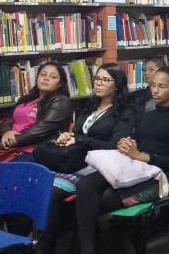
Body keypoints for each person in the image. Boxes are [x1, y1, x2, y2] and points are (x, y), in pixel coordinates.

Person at [75, 66, 169, 254]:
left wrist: (142, 156)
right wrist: (127, 144)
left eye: (162, 86)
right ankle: (87, 249)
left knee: (94, 202)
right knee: (85, 185)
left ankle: (86, 249)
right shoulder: (148, 115)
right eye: (152, 85)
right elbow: (140, 143)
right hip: (134, 168)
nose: (155, 90)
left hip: (158, 177)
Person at [38, 64, 134, 254]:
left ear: (117, 85)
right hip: (75, 161)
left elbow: (114, 145)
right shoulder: (88, 107)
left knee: (52, 193)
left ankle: (46, 247)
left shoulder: (124, 112)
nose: (98, 84)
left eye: (105, 80)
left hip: (98, 165)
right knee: (41, 187)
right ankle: (43, 244)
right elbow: (77, 133)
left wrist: (79, 139)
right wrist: (67, 136)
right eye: (97, 79)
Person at [0, 61, 73, 216]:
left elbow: (42, 129)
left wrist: (3, 143)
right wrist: (7, 131)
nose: (46, 78)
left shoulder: (60, 101)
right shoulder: (27, 98)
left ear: (60, 83)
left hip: (34, 152)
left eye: (52, 76)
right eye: (43, 74)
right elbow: (7, 118)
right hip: (10, 150)